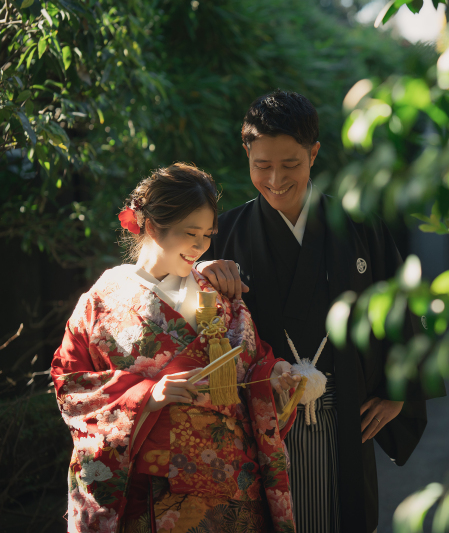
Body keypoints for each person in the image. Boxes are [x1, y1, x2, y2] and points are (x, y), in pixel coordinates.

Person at [198, 90, 441, 533]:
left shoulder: (359, 225)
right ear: (246, 155)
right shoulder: (224, 234)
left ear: (314, 153)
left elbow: (400, 301)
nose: (275, 179)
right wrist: (200, 273)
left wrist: (399, 386)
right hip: (259, 423)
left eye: (290, 164)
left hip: (343, 411)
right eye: (261, 165)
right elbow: (187, 317)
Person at [51, 163, 302, 533]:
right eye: (190, 233)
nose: (201, 245)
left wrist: (275, 375)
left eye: (207, 234)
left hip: (236, 492)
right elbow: (71, 386)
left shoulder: (218, 290)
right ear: (152, 226)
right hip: (157, 497)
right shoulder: (102, 301)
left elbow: (255, 363)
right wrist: (147, 396)